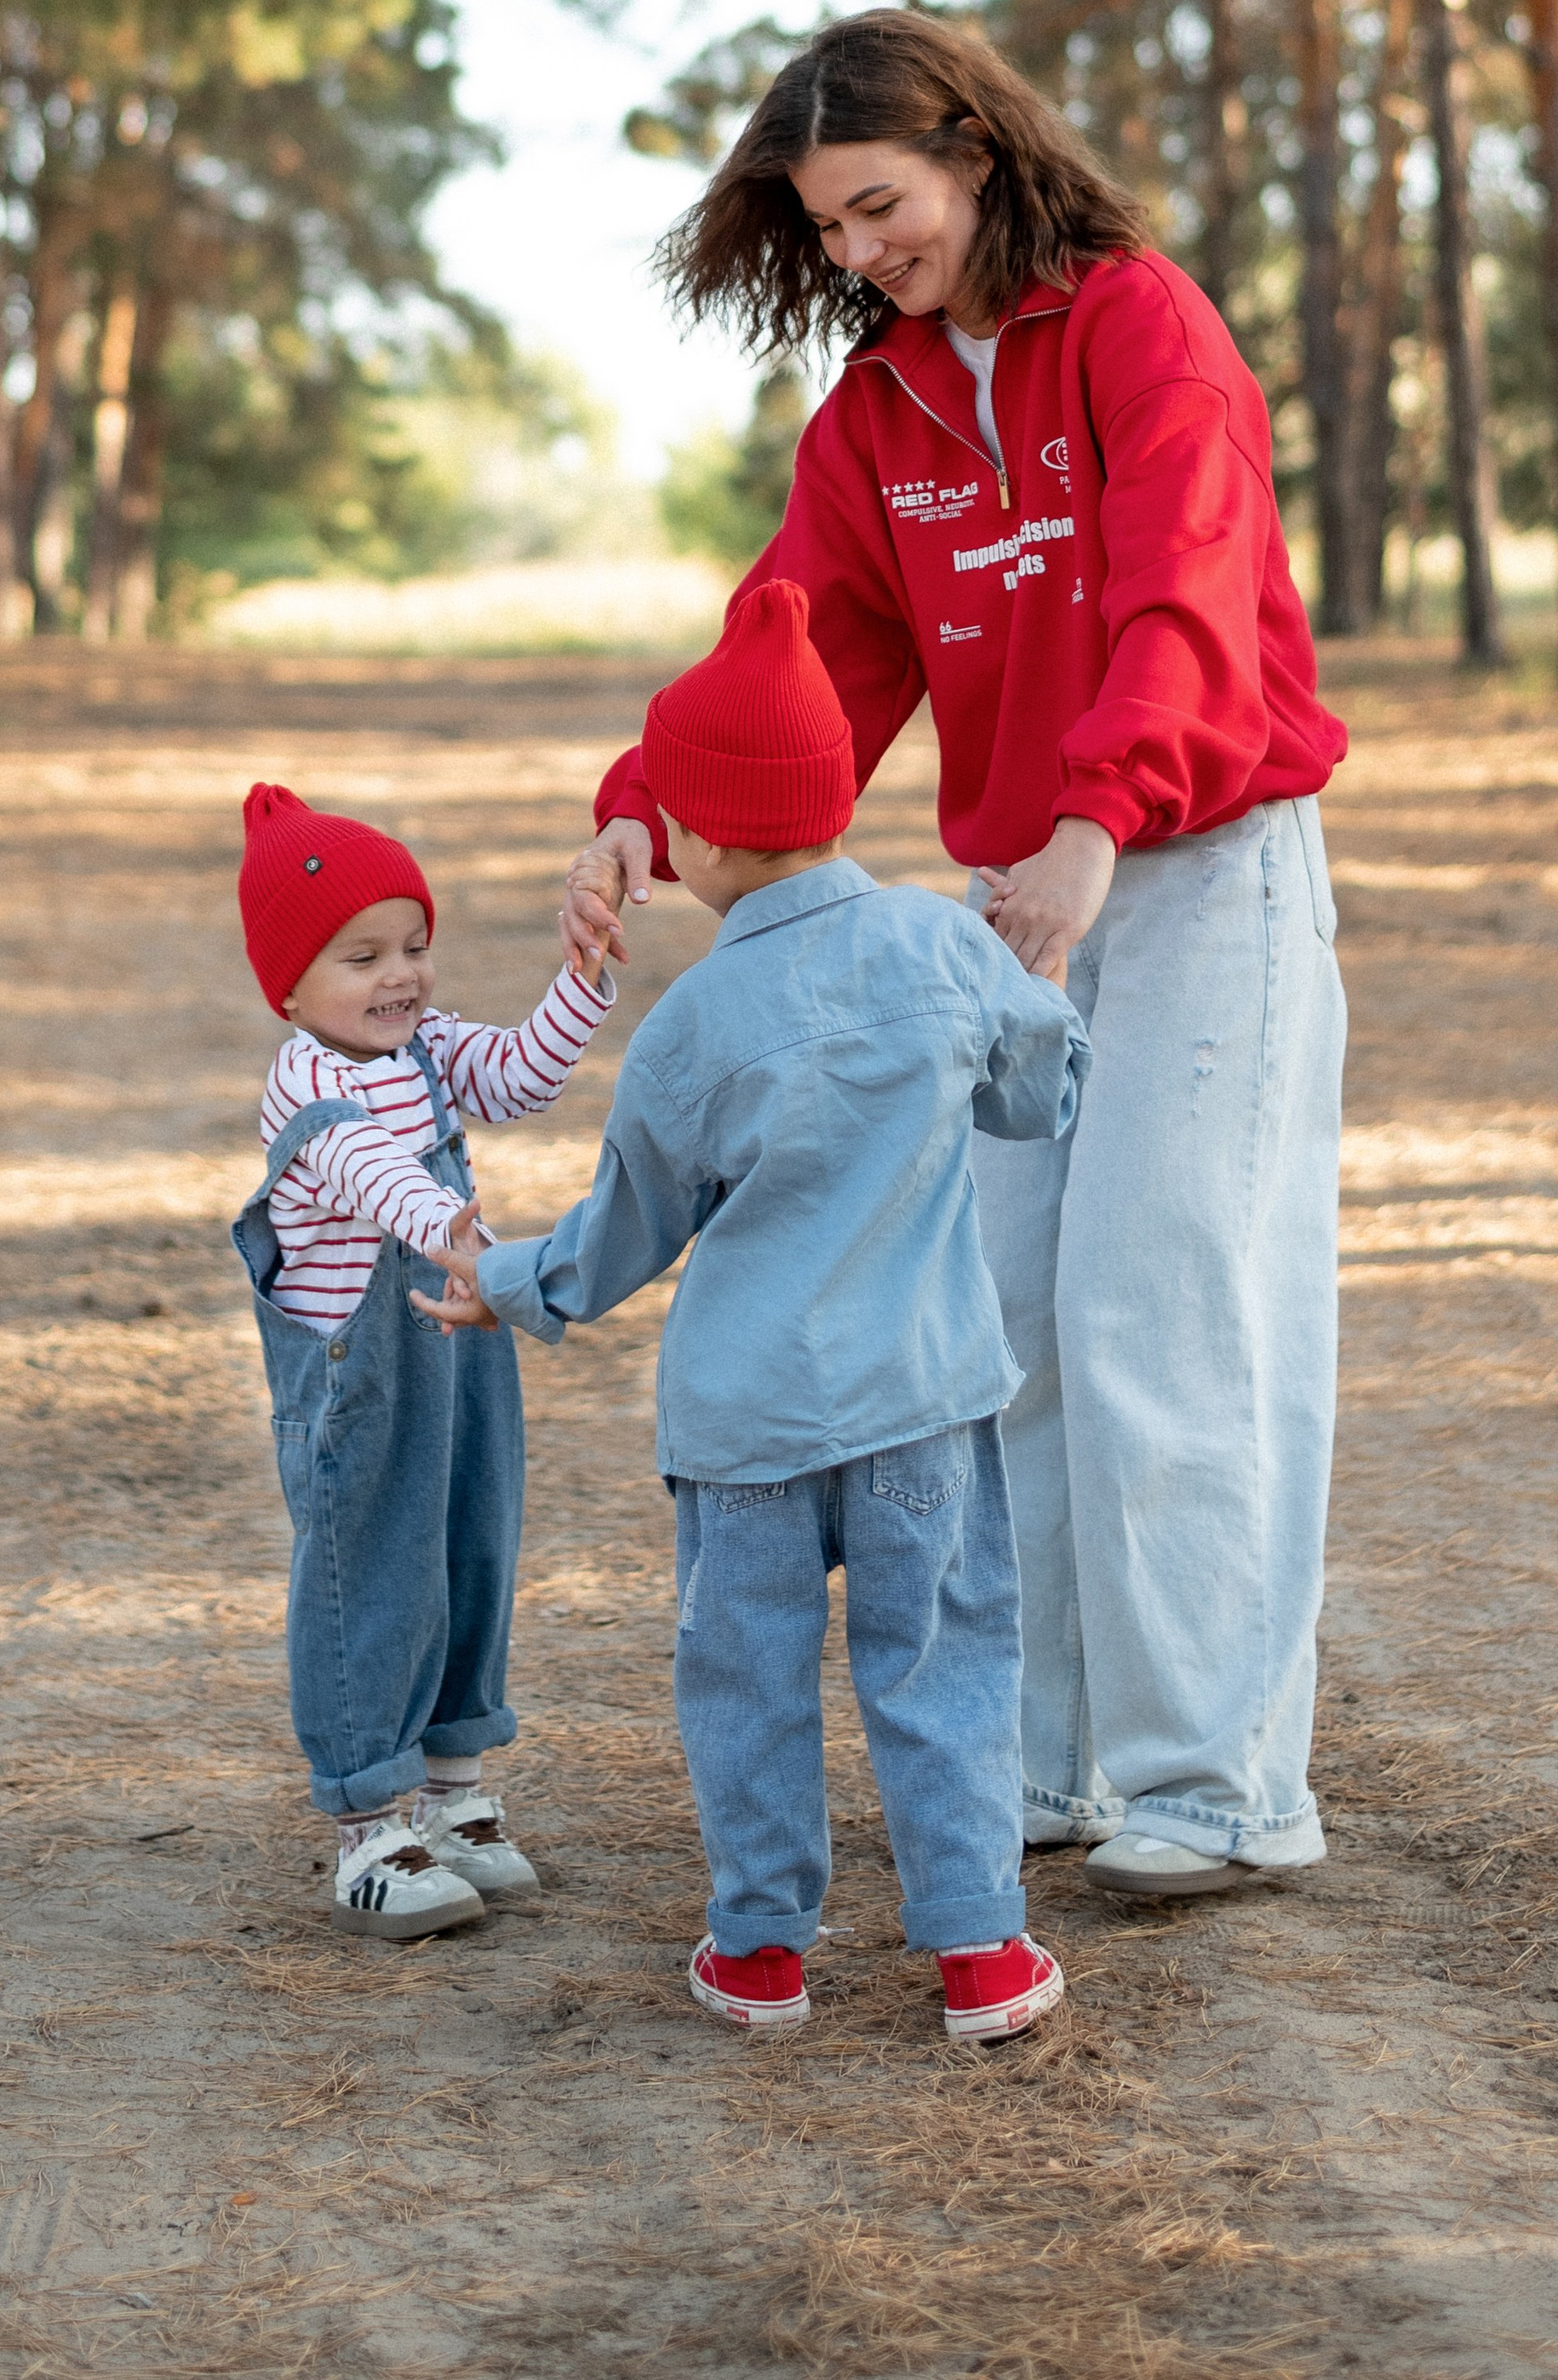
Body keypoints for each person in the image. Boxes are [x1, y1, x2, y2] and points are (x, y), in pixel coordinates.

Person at [561, 9, 1349, 1900]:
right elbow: (801, 644)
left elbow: (1191, 599)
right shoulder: (882, 412)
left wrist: (1091, 821)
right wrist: (642, 806)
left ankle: (1216, 1781)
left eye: (876, 206)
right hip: (1014, 899)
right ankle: (1055, 1756)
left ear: (978, 153)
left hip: (1191, 865)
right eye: (825, 229)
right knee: (996, 1335)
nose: (853, 254)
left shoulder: (1144, 324)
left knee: (1166, 1309)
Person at [416, 581, 1090, 2043]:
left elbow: (621, 1241)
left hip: (749, 1427)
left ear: (705, 841)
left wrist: (509, 1282)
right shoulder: (937, 947)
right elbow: (1041, 1097)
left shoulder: (690, 1032)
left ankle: (762, 1953)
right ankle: (979, 1954)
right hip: (924, 1396)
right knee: (948, 1666)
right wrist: (1026, 983)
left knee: (748, 1685)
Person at [231, 786, 612, 1941]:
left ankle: (455, 1791)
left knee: (469, 1551)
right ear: (291, 988)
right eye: (363, 957)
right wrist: (468, 1245)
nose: (400, 975)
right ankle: (369, 1824)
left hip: (454, 1350)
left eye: (413, 946)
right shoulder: (309, 1082)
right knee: (372, 1577)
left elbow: (521, 1076)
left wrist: (581, 982)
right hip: (362, 1379)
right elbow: (375, 1178)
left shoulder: (427, 1046)